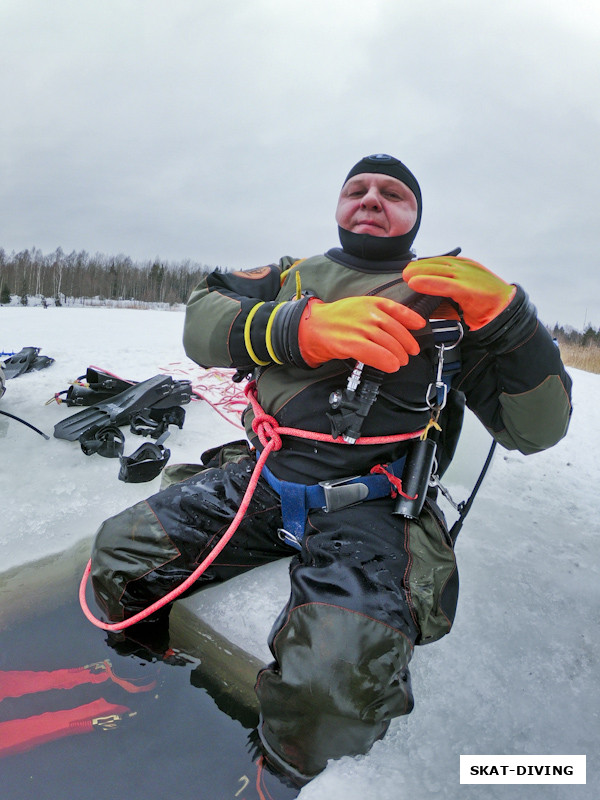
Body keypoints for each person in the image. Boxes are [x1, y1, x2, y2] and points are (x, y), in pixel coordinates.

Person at [90, 154, 572, 786]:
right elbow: (200, 320)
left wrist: (512, 322)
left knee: (334, 685)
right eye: (357, 188)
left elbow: (538, 430)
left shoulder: (450, 305)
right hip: (261, 478)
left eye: (393, 192)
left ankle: (278, 777)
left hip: (375, 506)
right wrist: (298, 328)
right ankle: (133, 681)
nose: (372, 198)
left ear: (416, 214)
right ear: (339, 206)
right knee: (120, 554)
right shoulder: (292, 276)